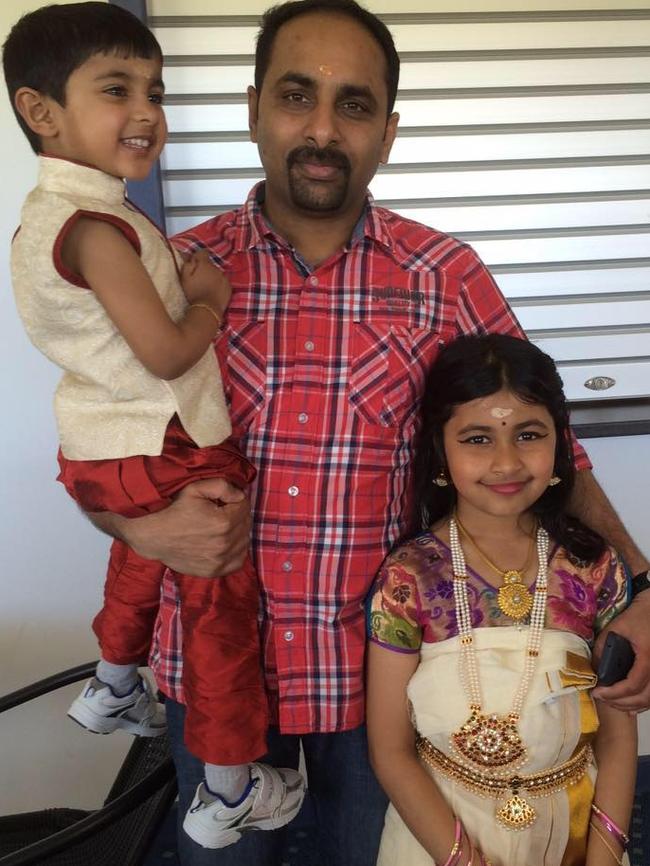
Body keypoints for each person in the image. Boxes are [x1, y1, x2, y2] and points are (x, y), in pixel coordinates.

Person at [82, 1, 648, 864]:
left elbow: (552, 454)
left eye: (353, 106)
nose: (320, 128)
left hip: (384, 685)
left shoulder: (445, 275)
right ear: (251, 107)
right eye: (295, 95)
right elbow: (101, 454)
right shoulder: (168, 273)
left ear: (387, 132)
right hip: (218, 674)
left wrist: (642, 591)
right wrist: (137, 525)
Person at [3, 2, 304, 850]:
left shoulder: (57, 219)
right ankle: (228, 786)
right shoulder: (96, 228)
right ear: (41, 111)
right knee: (219, 616)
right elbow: (169, 352)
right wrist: (210, 298)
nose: (146, 111)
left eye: (155, 90)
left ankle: (110, 682)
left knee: (142, 551)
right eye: (116, 88)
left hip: (107, 446)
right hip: (168, 441)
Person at [367, 333, 637, 866]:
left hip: (574, 833)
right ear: (439, 450)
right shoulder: (410, 576)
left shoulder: (592, 567)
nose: (507, 462)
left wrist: (603, 857)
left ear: (559, 444)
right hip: (439, 837)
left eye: (528, 434)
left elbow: (617, 737)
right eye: (477, 439)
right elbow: (391, 750)